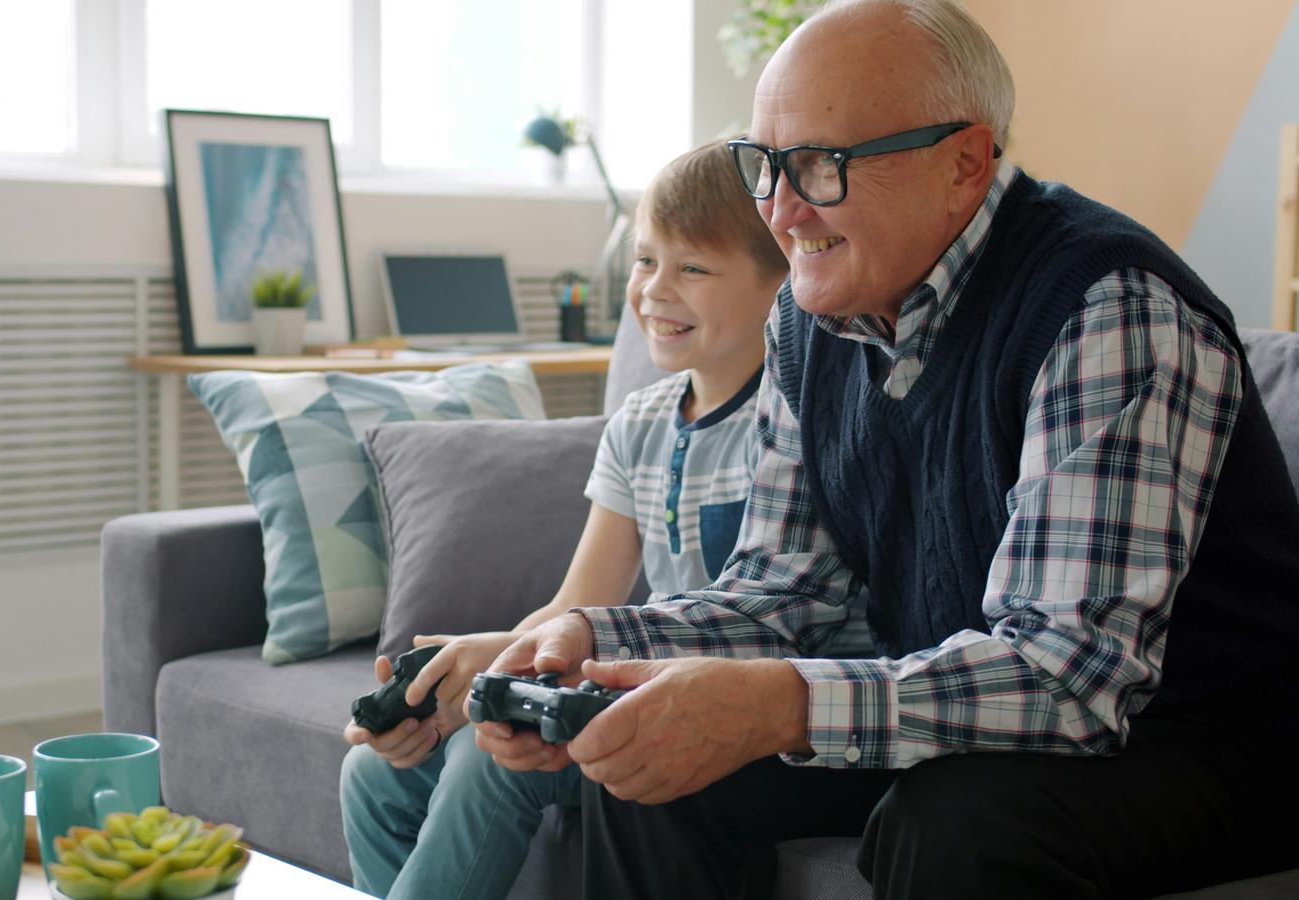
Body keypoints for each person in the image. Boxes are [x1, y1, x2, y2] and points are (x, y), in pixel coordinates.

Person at [474, 1, 1299, 897]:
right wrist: (591, 640)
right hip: (973, 709)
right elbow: (786, 594)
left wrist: (783, 704)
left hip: (1204, 736)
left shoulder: (1105, 310)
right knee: (652, 762)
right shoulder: (809, 319)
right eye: (764, 164)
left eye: (822, 166)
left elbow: (1072, 679)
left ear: (965, 162)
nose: (780, 209)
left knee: (956, 821)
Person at [338, 139, 791, 900]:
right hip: (608, 685)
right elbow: (576, 603)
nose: (655, 290)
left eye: (693, 269)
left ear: (781, 282)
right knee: (372, 773)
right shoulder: (639, 424)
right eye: (645, 261)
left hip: (706, 711)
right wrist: (475, 673)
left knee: (486, 763)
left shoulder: (786, 424)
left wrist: (499, 661)